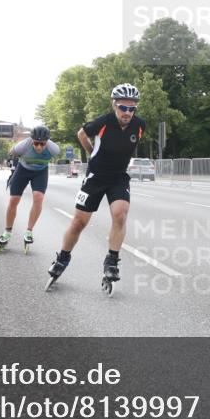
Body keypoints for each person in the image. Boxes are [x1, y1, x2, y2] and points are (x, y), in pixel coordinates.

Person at [47, 83, 146, 292]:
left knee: (120, 214)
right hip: (96, 177)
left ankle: (112, 260)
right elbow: (81, 133)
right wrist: (92, 152)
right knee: (78, 223)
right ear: (114, 105)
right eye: (122, 107)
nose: (127, 112)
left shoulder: (139, 126)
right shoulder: (103, 122)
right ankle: (62, 258)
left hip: (118, 178)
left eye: (132, 108)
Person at [0, 126, 60, 251]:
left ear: (47, 142)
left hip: (40, 172)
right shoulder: (23, 146)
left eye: (42, 144)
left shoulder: (54, 149)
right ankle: (7, 232)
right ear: (32, 140)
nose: (39, 147)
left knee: (38, 197)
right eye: (36, 143)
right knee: (13, 200)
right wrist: (13, 166)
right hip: (22, 170)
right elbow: (12, 152)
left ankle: (29, 231)